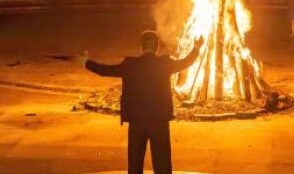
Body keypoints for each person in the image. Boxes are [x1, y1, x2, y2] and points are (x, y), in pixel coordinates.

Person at [79, 31, 203, 174]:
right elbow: (185, 63)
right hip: (159, 122)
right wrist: (196, 48)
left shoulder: (130, 65)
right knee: (162, 165)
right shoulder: (164, 64)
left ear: (141, 47)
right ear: (156, 47)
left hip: (137, 122)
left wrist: (85, 62)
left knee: (135, 165)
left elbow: (105, 70)